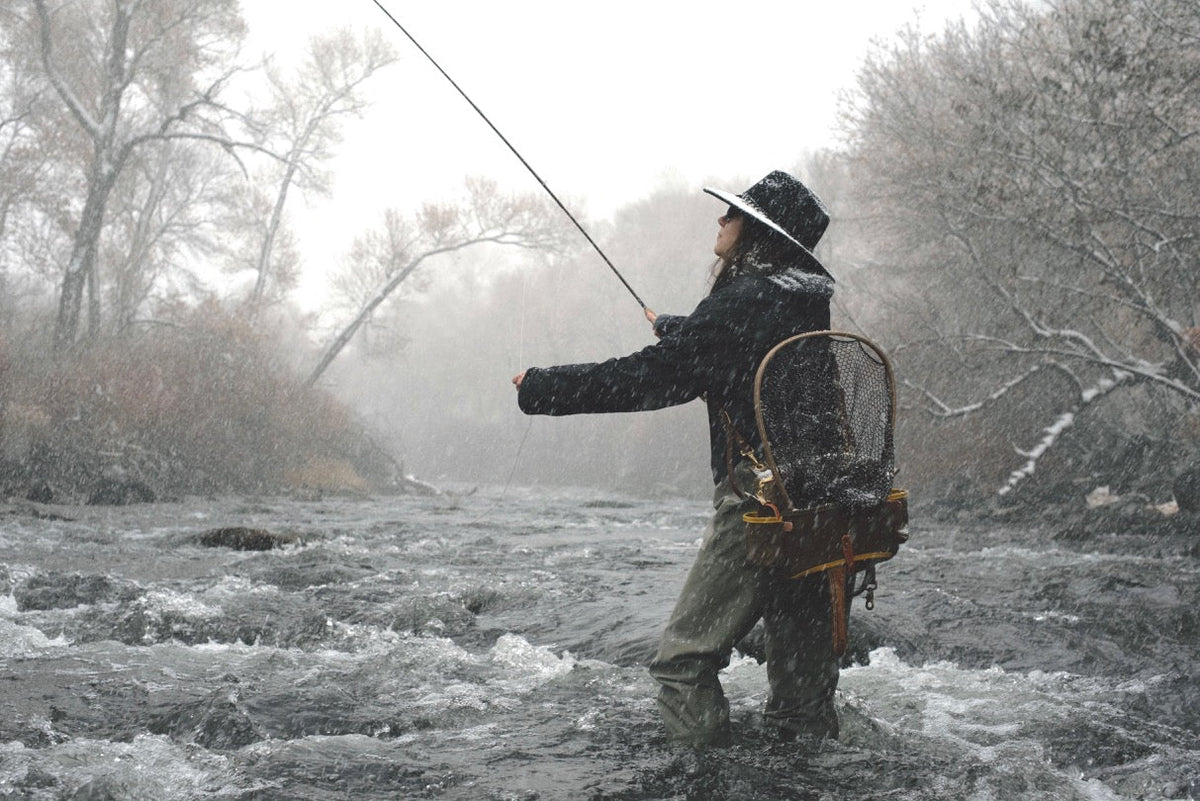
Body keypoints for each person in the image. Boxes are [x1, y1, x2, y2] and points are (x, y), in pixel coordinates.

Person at [512, 171, 840, 747]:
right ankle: (802, 773)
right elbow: (742, 346)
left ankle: (704, 780)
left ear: (759, 235)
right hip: (821, 492)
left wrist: (541, 386)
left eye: (732, 215)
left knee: (681, 666)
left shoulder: (743, 301)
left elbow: (653, 378)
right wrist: (679, 329)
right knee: (800, 678)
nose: (720, 221)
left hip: (762, 498)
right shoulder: (803, 300)